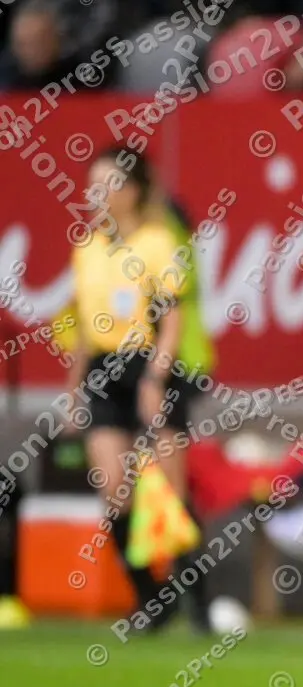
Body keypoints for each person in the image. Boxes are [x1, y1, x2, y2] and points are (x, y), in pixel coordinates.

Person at [67, 148, 210, 635]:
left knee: (169, 492)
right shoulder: (87, 247)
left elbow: (172, 319)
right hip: (105, 371)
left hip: (150, 366)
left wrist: (154, 379)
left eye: (105, 184)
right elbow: (86, 330)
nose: (94, 195)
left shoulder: (157, 243)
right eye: (91, 184)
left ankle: (201, 604)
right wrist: (73, 389)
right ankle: (152, 599)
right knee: (115, 490)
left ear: (131, 191)